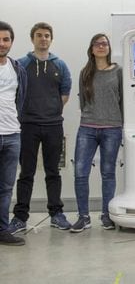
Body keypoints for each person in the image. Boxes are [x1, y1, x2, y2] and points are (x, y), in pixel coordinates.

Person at [9, 22, 72, 234]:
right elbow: (14, 93)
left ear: (51, 39)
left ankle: (56, 214)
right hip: (27, 126)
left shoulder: (60, 65)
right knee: (26, 172)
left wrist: (50, 111)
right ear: (32, 39)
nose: (43, 39)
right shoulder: (21, 64)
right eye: (39, 35)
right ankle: (19, 217)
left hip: (54, 126)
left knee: (53, 171)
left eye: (46, 35)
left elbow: (65, 94)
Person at [70, 33, 123, 233]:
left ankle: (107, 216)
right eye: (97, 44)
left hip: (112, 128)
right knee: (80, 173)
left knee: (108, 173)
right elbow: (83, 102)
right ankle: (83, 217)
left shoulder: (118, 71)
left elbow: (123, 101)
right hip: (87, 128)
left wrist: (121, 124)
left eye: (105, 43)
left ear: (109, 48)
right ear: (91, 49)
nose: (101, 46)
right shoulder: (85, 72)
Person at [0, 21, 27, 246]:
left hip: (12, 134)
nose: (2, 43)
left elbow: (20, 99)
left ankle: (2, 230)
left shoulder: (17, 68)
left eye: (6, 39)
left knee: (6, 187)